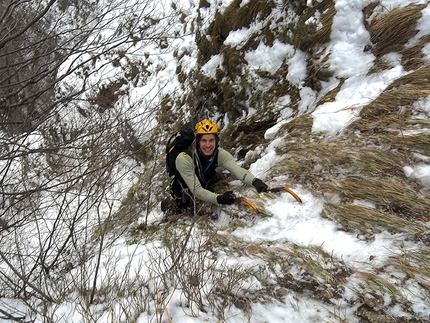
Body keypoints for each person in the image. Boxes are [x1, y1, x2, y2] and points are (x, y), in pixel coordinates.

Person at [161, 119, 269, 214]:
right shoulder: (184, 158)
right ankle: (170, 203)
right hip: (185, 186)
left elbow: (237, 170)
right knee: (183, 207)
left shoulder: (220, 154)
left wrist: (255, 182)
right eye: (204, 140)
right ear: (197, 142)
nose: (208, 145)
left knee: (215, 177)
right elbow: (197, 190)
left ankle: (220, 176)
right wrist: (219, 198)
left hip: (206, 177)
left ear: (216, 141)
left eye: (211, 140)